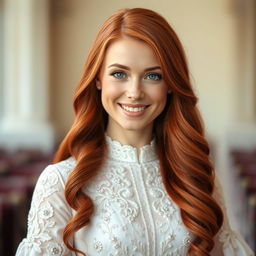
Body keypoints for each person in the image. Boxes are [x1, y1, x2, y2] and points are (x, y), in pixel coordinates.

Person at [16, 8, 254, 256]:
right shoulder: (60, 181)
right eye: (119, 74)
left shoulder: (199, 176)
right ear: (98, 79)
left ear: (170, 84)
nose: (134, 91)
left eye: (153, 76)